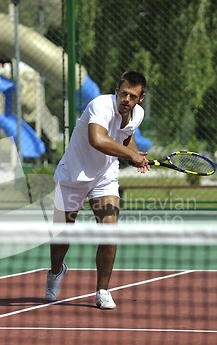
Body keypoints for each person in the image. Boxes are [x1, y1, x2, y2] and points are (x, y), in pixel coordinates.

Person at [45, 71, 150, 309]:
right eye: (123, 93)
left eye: (132, 96)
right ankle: (55, 272)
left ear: (140, 98)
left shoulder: (138, 114)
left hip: (105, 177)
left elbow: (126, 137)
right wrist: (130, 154)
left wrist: (134, 155)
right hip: (73, 174)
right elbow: (98, 140)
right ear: (117, 91)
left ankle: (103, 290)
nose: (126, 99)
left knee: (109, 231)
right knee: (61, 234)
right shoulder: (99, 105)